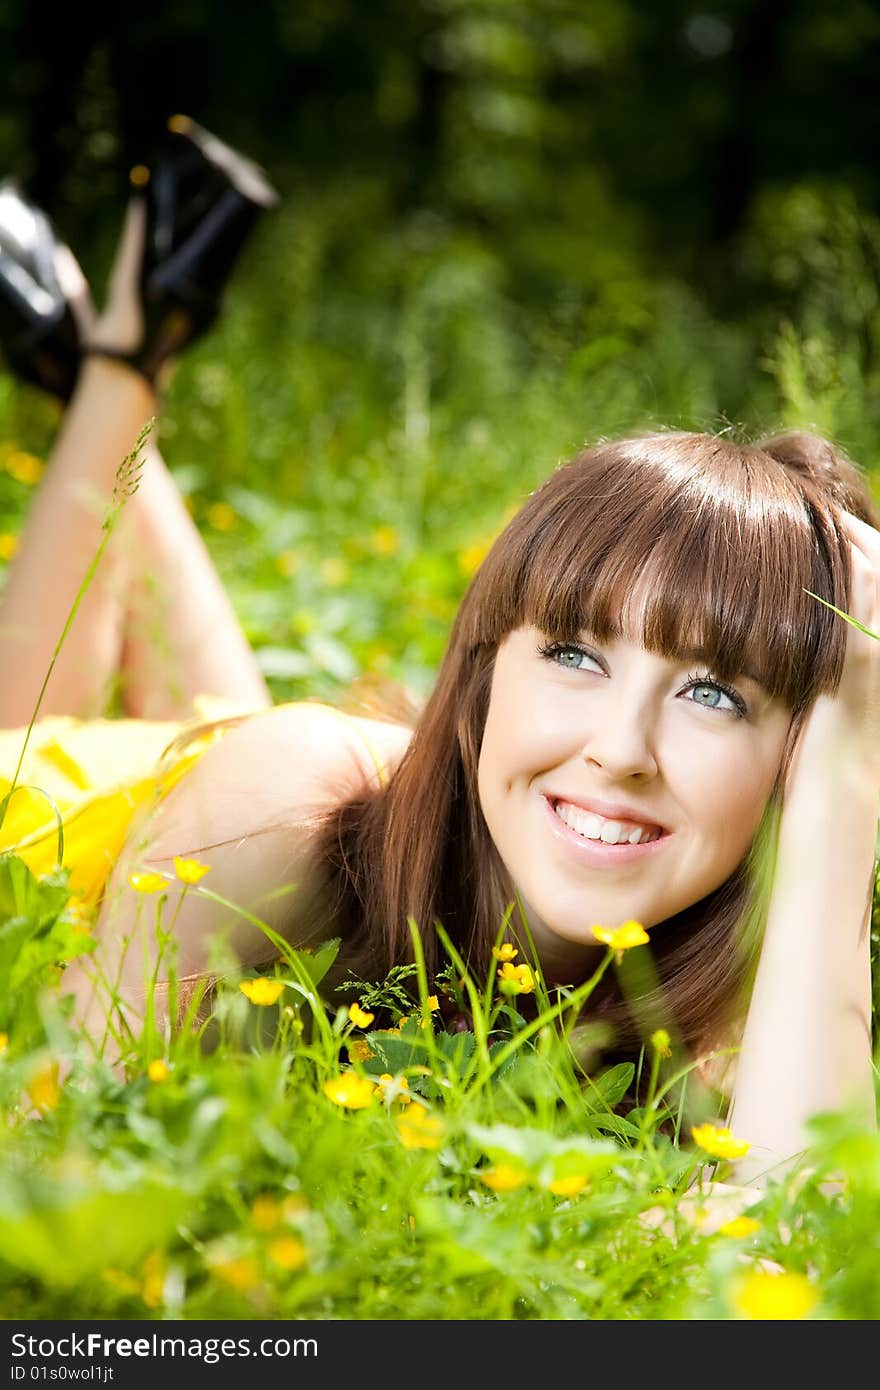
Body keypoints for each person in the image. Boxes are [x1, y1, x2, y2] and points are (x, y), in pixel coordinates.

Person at [1, 119, 878, 1191]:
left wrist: (844, 786)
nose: (621, 751)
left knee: (238, 735)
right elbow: (50, 1152)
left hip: (251, 790)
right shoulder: (285, 806)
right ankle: (118, 362)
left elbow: (798, 1250)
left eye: (712, 692)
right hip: (68, 817)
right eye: (575, 653)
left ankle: (116, 351)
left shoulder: (746, 979)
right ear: (476, 676)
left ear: (794, 759)